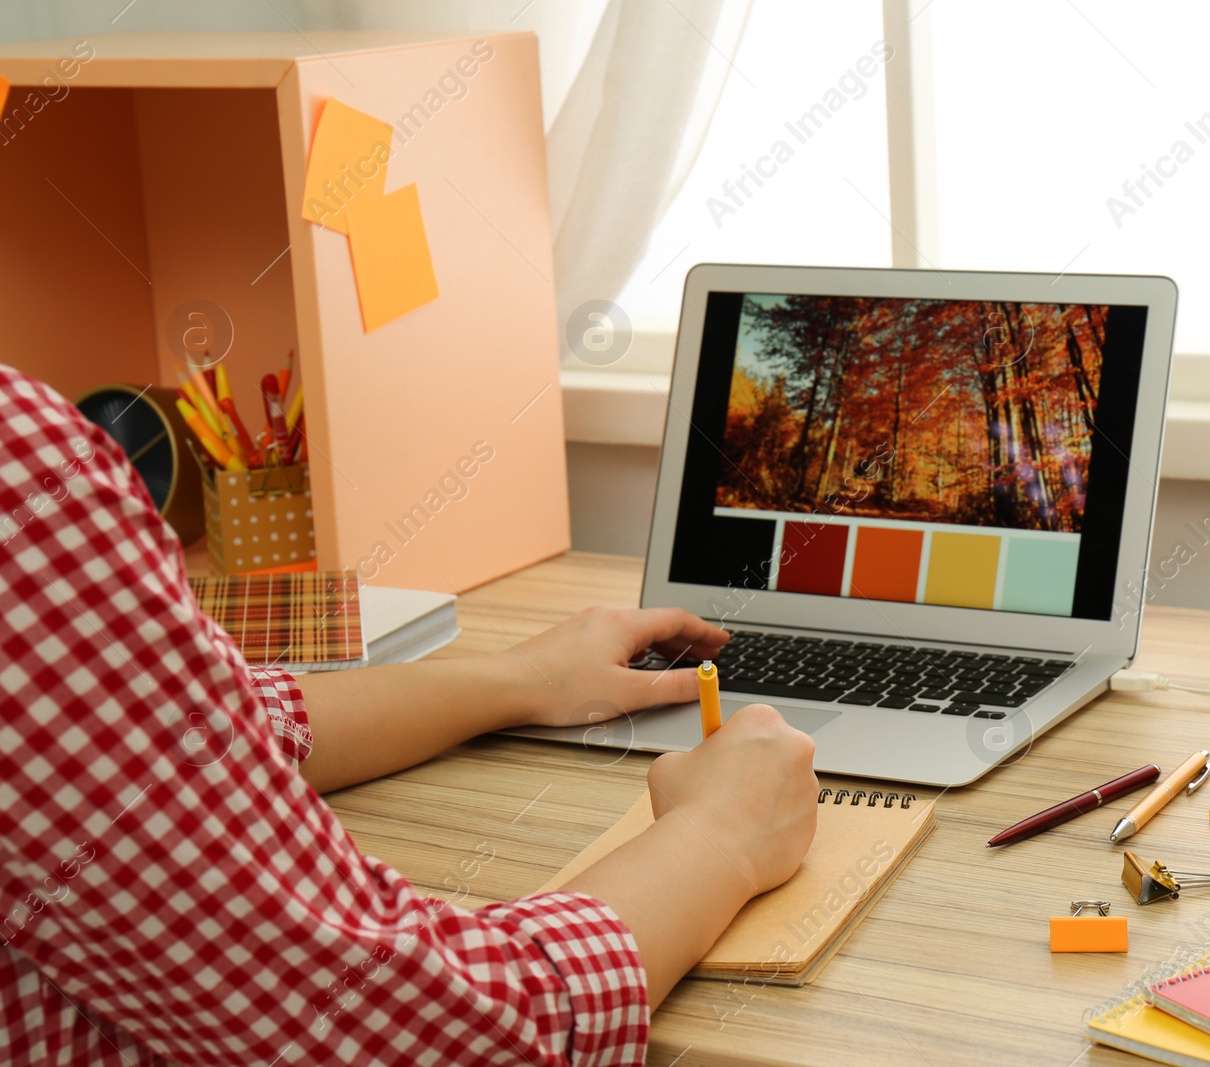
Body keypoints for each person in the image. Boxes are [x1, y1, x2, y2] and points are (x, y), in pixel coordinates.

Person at [0, 365, 819, 1066]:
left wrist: (522, 677)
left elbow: (217, 728)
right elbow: (440, 1040)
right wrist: (721, 836)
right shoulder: (21, 465)